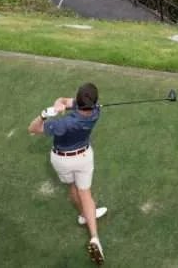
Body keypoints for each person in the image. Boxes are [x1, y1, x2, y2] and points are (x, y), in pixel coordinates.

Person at [28, 82, 107, 265]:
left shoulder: (63, 124)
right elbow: (65, 100)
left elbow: (32, 129)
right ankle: (94, 236)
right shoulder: (96, 112)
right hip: (84, 156)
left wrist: (43, 115)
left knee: (73, 187)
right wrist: (59, 104)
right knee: (85, 192)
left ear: (78, 101)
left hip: (63, 160)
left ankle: (83, 215)